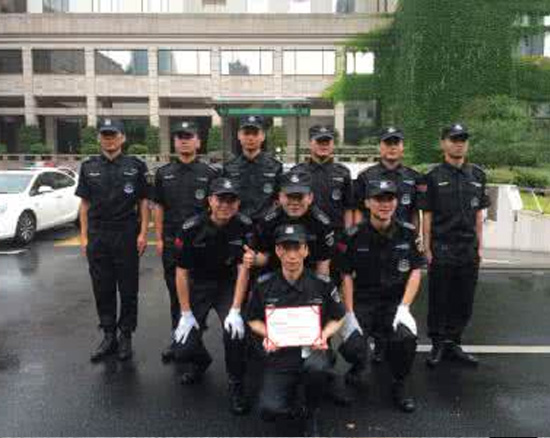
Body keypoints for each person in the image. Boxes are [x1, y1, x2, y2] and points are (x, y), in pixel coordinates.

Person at [247, 224, 345, 436]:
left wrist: (324, 335)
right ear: (278, 251)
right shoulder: (263, 285)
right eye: (286, 248)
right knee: (269, 410)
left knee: (316, 369)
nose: (292, 255)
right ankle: (294, 398)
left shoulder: (322, 284)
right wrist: (268, 334)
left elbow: (338, 317)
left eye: (297, 247)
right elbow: (252, 319)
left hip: (313, 350)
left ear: (306, 250)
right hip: (281, 355)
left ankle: (311, 412)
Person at [336, 180, 422, 413]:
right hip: (364, 301)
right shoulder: (352, 235)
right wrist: (349, 313)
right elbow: (346, 276)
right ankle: (358, 367)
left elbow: (415, 270)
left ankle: (399, 382)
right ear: (367, 203)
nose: (385, 204)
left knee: (405, 339)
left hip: (394, 303)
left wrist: (405, 307)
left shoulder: (408, 232)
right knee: (352, 343)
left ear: (396, 202)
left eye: (390, 199)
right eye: (378, 199)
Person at [172, 177, 255, 415]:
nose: (225, 205)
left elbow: (243, 268)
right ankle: (201, 362)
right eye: (220, 199)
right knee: (182, 348)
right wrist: (185, 313)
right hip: (199, 284)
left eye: (231, 200)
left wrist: (236, 309)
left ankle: (236, 383)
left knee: (235, 333)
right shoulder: (191, 228)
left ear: (237, 204)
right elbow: (181, 272)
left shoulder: (244, 226)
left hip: (228, 284)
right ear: (210, 200)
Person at [75, 118, 149, 362]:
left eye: (113, 134)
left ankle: (125, 335)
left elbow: (143, 202)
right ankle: (108, 335)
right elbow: (84, 204)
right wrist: (84, 236)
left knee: (128, 288)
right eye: (105, 135)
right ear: (99, 138)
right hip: (98, 235)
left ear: (122, 138)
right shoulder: (88, 167)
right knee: (102, 287)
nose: (109, 139)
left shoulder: (135, 166)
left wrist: (143, 233)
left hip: (126, 233)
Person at [419, 123, 490, 368]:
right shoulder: (432, 176)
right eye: (454, 139)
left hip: (468, 249)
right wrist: (427, 248)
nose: (459, 144)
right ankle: (438, 345)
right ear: (443, 143)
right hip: (442, 248)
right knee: (440, 299)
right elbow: (427, 215)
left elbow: (479, 214)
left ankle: (454, 342)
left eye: (463, 139)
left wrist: (480, 247)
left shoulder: (477, 175)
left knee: (464, 300)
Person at [153, 121, 219, 363]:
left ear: (198, 142)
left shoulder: (210, 174)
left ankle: (195, 339)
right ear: (174, 142)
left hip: (201, 245)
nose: (184, 141)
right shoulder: (163, 173)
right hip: (174, 243)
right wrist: (158, 238)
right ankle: (178, 337)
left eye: (189, 137)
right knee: (175, 293)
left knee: (199, 294)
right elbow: (158, 207)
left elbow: (216, 209)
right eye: (180, 137)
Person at [251, 170, 335, 276]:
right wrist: (253, 258)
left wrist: (319, 285)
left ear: (310, 198)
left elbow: (323, 262)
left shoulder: (321, 223)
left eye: (300, 197)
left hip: (309, 274)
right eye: (289, 196)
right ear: (280, 197)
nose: (295, 202)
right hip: (275, 273)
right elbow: (264, 257)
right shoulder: (268, 221)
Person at [354, 127, 423, 228]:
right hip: (372, 235)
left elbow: (415, 212)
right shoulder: (365, 177)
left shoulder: (414, 176)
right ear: (379, 147)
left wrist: (414, 235)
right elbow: (358, 210)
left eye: (396, 143)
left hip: (403, 235)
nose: (392, 147)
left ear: (402, 147)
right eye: (388, 143)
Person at [291, 125, 354, 230]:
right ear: (310, 143)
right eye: (319, 142)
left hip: (335, 232)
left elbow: (349, 208)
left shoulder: (343, 172)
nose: (324, 146)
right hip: (305, 232)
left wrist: (347, 234)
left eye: (327, 142)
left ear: (333, 144)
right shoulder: (297, 172)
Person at [224, 115, 283, 221]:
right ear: (239, 136)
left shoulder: (276, 167)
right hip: (236, 224)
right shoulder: (228, 167)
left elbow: (280, 199)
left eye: (255, 133)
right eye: (246, 133)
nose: (250, 138)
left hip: (266, 225)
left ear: (263, 136)